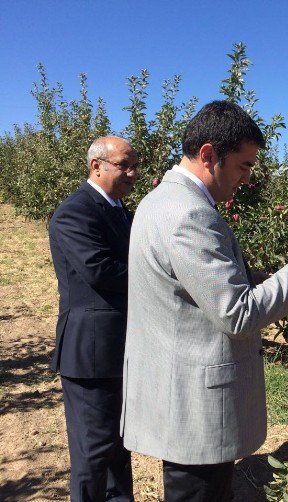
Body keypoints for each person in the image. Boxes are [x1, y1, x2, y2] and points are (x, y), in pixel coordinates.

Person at [121, 100, 288, 501]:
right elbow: (236, 312)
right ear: (209, 155)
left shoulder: (160, 201)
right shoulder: (189, 214)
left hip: (179, 389)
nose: (247, 178)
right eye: (244, 166)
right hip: (196, 405)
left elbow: (198, 289)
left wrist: (266, 280)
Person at [48, 136, 138, 501]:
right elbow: (100, 271)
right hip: (92, 352)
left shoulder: (122, 211)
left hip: (121, 347)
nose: (133, 174)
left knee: (120, 447)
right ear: (96, 166)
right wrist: (162, 280)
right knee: (92, 452)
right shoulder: (75, 212)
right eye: (125, 165)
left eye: (136, 166)